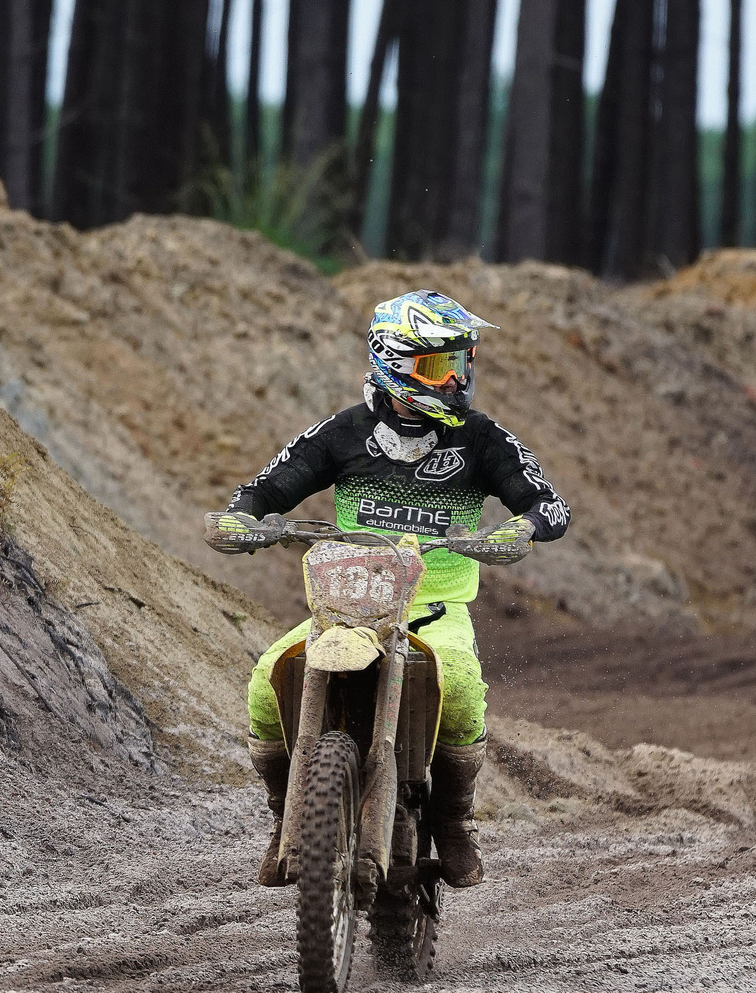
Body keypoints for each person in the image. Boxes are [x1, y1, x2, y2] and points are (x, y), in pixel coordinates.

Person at [206, 290, 570, 889]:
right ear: (393, 362)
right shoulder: (344, 432)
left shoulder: (480, 438)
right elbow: (266, 488)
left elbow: (547, 504)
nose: (455, 379)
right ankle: (283, 818)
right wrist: (240, 519)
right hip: (345, 601)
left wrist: (520, 529)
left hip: (435, 605)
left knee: (457, 683)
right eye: (438, 366)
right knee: (267, 678)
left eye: (461, 363)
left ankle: (452, 823)